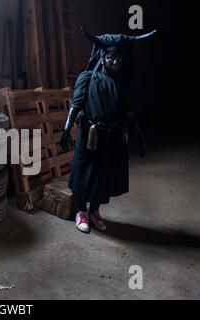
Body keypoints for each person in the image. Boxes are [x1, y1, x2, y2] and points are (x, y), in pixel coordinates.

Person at [61, 27, 156, 233]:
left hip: (113, 137)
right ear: (103, 57)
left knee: (104, 176)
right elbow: (76, 106)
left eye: (119, 59)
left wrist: (140, 137)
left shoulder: (122, 84)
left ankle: (95, 210)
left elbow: (129, 113)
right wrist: (67, 129)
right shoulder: (87, 78)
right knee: (86, 174)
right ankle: (81, 211)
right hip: (91, 135)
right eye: (112, 58)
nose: (116, 63)